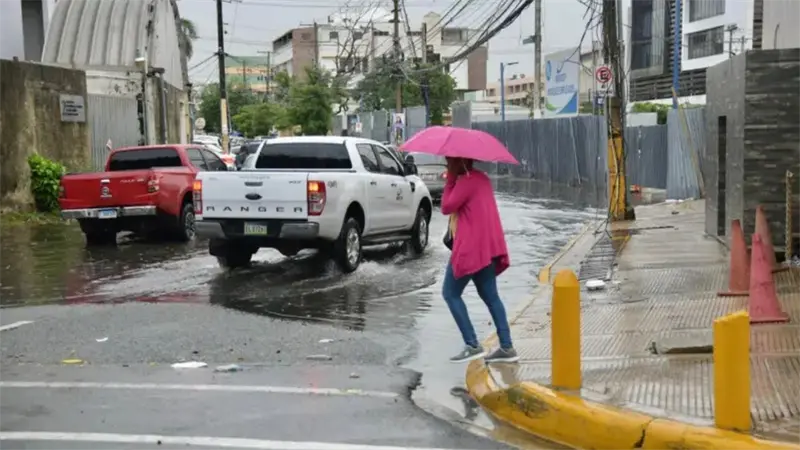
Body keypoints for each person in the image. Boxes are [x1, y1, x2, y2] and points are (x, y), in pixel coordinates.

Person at [440, 157, 518, 363]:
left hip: (470, 249)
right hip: (487, 248)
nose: (446, 163)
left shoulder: (465, 182)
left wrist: (449, 181)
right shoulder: (482, 179)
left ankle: (472, 344)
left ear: (458, 162)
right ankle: (507, 346)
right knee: (491, 297)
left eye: (448, 161)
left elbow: (446, 206)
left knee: (450, 293)